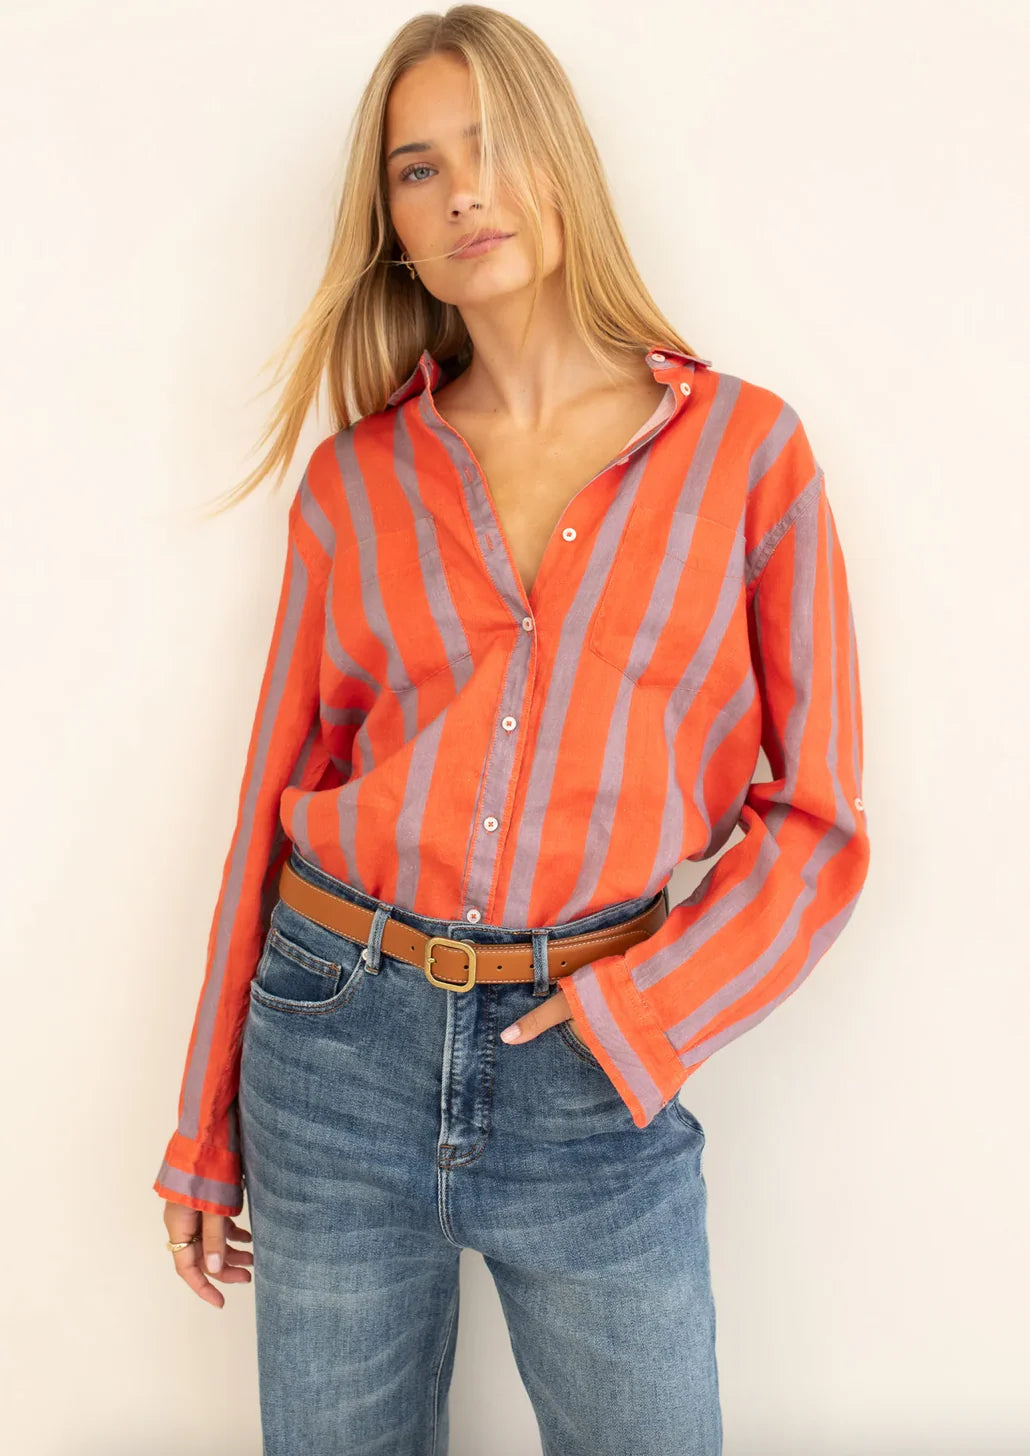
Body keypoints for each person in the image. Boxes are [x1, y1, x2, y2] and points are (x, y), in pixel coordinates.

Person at [155, 7, 871, 1453]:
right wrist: (203, 1119)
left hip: (591, 1072)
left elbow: (818, 822)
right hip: (332, 1047)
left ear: (563, 163)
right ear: (392, 227)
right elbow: (269, 803)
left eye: (492, 147)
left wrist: (644, 1018)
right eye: (417, 169)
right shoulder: (353, 484)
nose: (463, 194)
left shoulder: (746, 456)